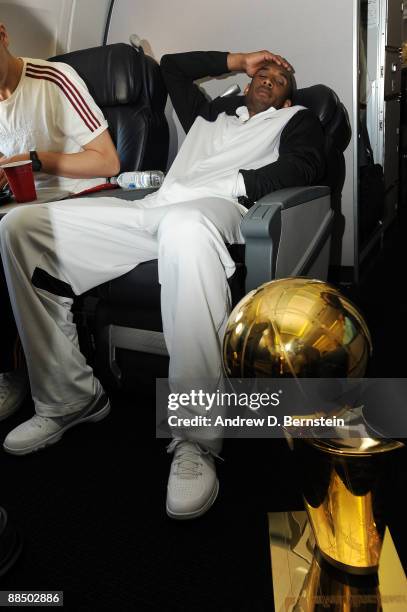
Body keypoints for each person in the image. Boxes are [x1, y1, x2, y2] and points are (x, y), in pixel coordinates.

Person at [0, 48, 325, 520]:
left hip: (217, 208)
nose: (271, 77)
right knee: (20, 228)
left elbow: (304, 168)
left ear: (289, 94)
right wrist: (239, 60)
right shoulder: (211, 115)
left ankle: (197, 439)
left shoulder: (297, 120)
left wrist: (228, 185)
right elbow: (171, 66)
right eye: (265, 71)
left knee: (185, 226)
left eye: (282, 75)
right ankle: (68, 396)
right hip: (152, 205)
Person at [0, 21, 120, 422]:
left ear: (3, 34)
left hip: (78, 196)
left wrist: (36, 159)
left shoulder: (53, 78)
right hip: (19, 206)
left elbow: (107, 161)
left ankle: (10, 367)